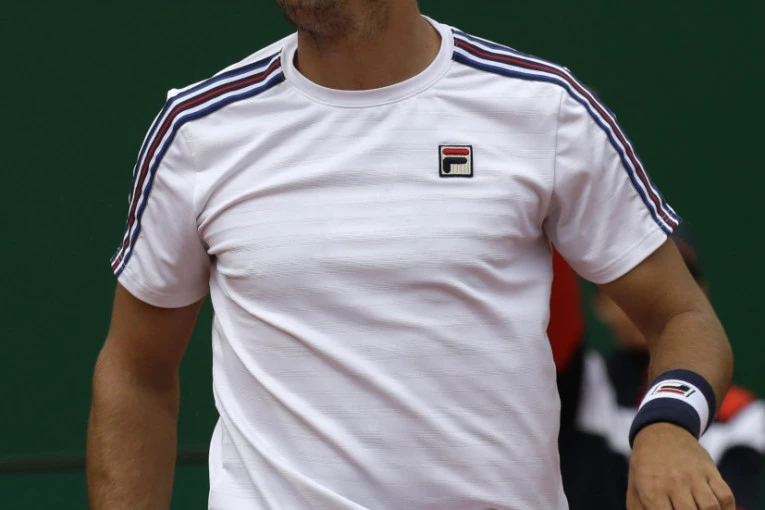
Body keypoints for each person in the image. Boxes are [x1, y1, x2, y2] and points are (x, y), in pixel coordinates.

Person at [86, 1, 736, 509]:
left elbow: (682, 317)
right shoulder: (197, 131)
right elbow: (135, 373)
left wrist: (667, 425)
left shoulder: (544, 109)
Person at [555, 226, 765, 510]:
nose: (649, 296)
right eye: (627, 282)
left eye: (677, 282)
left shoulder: (741, 413)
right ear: (600, 301)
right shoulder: (578, 384)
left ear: (700, 297)